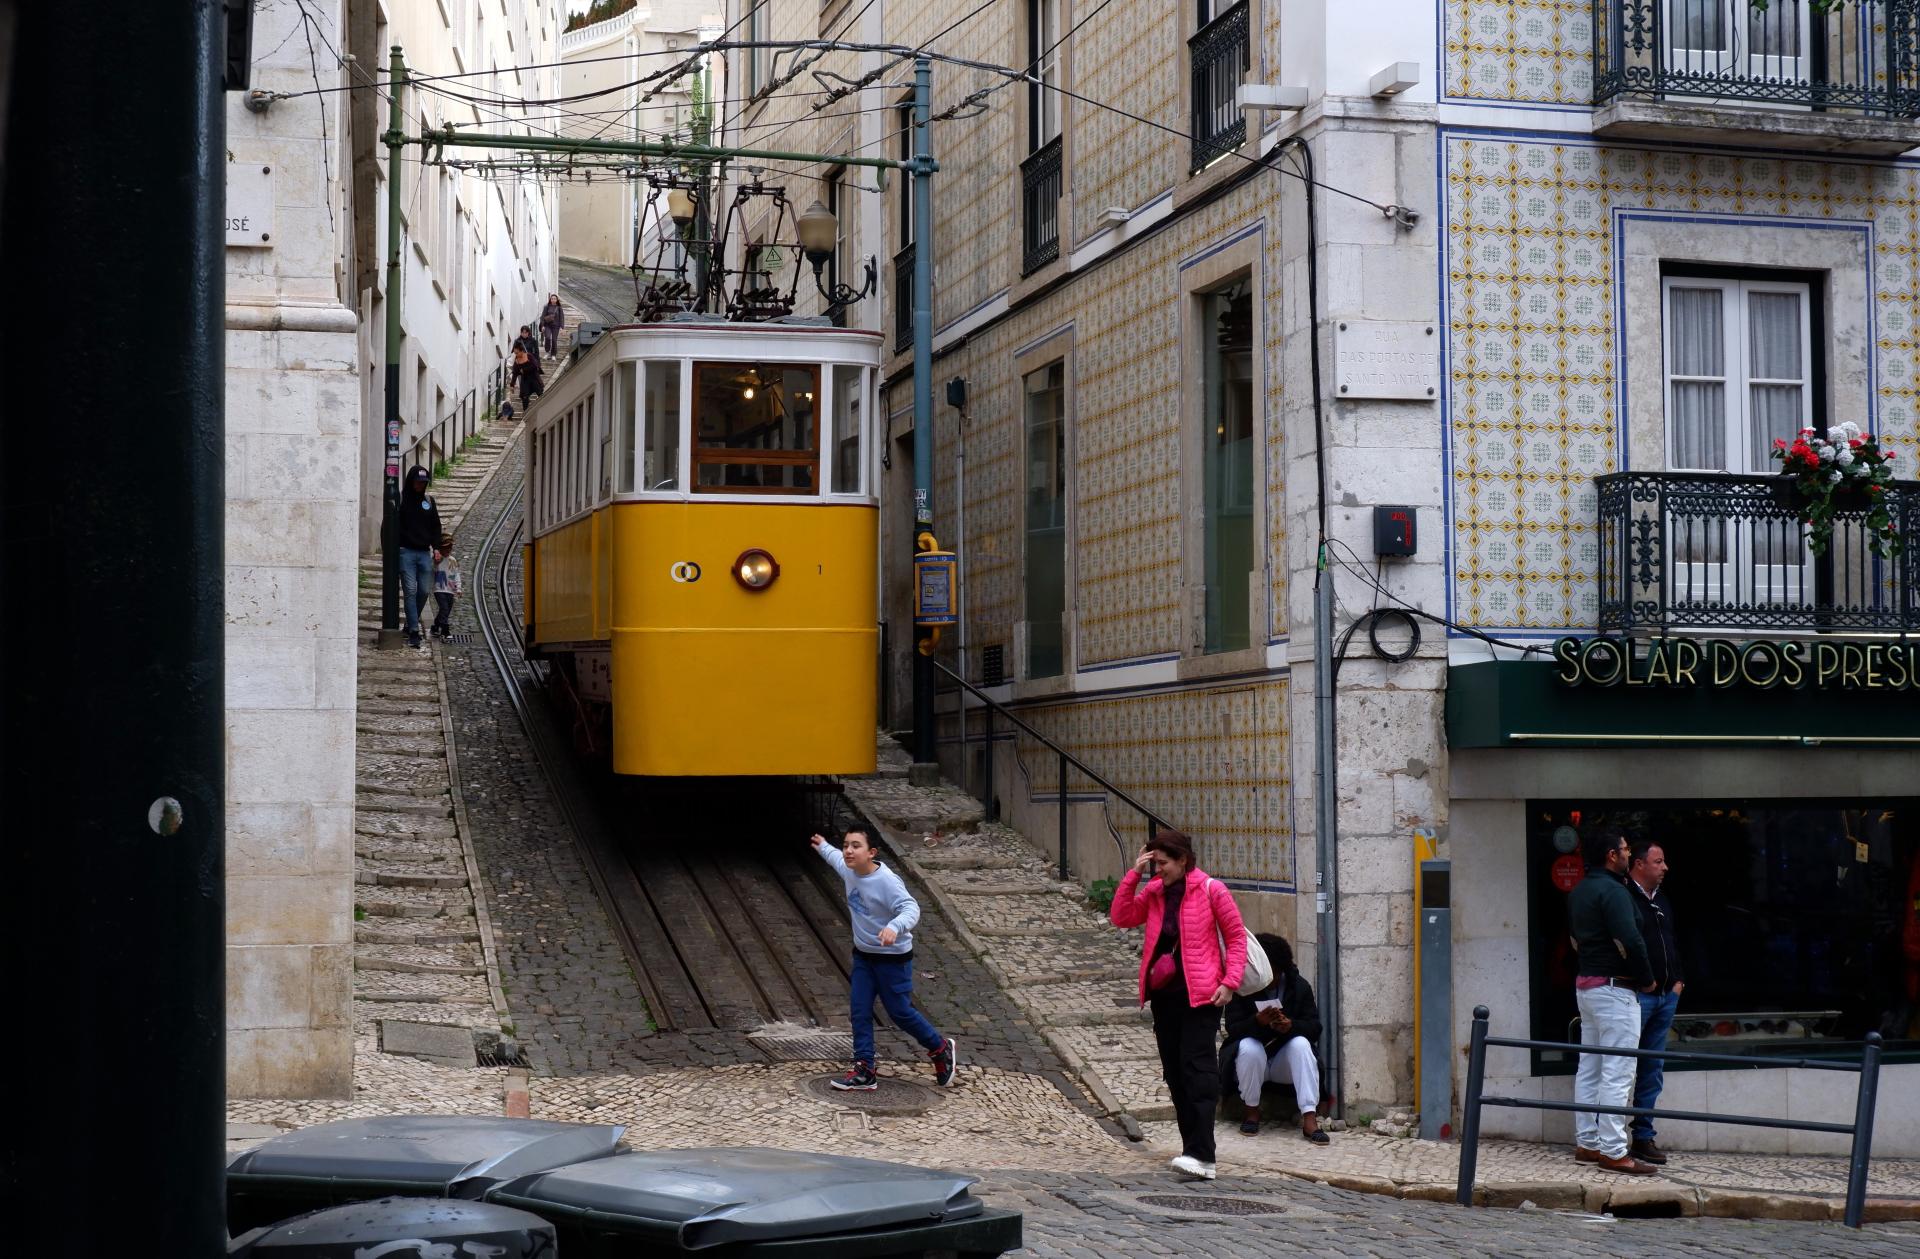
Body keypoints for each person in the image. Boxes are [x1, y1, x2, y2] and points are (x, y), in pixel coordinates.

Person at [1109, 829, 1247, 1182]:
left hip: (1202, 995)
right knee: (1174, 1072)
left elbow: (1235, 937)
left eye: (1163, 863)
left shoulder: (1212, 890)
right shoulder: (1154, 892)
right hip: (1166, 996)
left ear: (1183, 860)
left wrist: (1230, 983)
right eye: (1154, 863)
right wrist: (1134, 875)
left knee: (1197, 1070)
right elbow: (1121, 916)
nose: (1159, 870)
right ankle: (1191, 1151)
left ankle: (1204, 1155)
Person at [808, 828, 958, 1092]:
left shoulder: (886, 881)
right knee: (859, 1010)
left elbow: (911, 908)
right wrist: (823, 846)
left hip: (892, 959)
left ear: (872, 853)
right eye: (846, 846)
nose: (849, 851)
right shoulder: (848, 869)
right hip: (864, 957)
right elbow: (834, 858)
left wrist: (895, 927)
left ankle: (940, 1048)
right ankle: (865, 1069)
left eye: (856, 846)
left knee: (899, 1012)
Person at [1568, 826, 1657, 1175]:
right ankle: (1614, 1150)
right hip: (1615, 988)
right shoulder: (1615, 892)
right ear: (1611, 855)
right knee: (1619, 1072)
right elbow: (1632, 940)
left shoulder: (1578, 892)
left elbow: (1575, 939)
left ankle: (1587, 1143)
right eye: (1624, 849)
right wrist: (1648, 979)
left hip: (1586, 986)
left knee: (1589, 1067)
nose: (1627, 854)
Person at [1221, 933, 1327, 1144]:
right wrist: (1257, 1022)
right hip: (1251, 1062)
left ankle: (1309, 1116)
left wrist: (1291, 1026)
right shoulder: (1243, 987)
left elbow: (1315, 1027)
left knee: (1301, 1044)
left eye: (1273, 975)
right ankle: (1251, 1111)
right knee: (1249, 1047)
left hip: (1282, 1061)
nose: (1268, 982)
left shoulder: (1299, 987)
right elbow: (1233, 1029)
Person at [1626, 839, 1683, 1166]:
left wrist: (1678, 979)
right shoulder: (1626, 898)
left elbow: (1672, 941)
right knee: (1622, 1066)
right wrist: (1643, 981)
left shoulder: (1662, 900)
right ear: (1639, 864)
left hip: (1665, 995)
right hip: (1639, 995)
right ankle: (1611, 1137)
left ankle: (1643, 1136)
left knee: (1653, 1068)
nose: (1664, 867)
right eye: (1658, 861)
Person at [396, 465, 441, 650]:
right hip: (406, 552)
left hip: (424, 553)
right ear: (411, 481)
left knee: (423, 591)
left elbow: (435, 526)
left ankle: (409, 623)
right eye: (417, 482)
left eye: (423, 483)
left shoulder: (429, 501)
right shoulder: (400, 499)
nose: (420, 485)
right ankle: (414, 631)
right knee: (410, 591)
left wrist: (436, 547)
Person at [430, 532, 462, 641]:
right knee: (444, 608)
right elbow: (432, 569)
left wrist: (458, 588)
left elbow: (456, 573)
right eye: (445, 548)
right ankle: (445, 630)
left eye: (450, 547)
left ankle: (435, 626)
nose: (448, 550)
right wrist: (435, 559)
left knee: (446, 610)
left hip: (450, 590)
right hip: (439, 589)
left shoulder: (453, 560)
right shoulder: (437, 559)